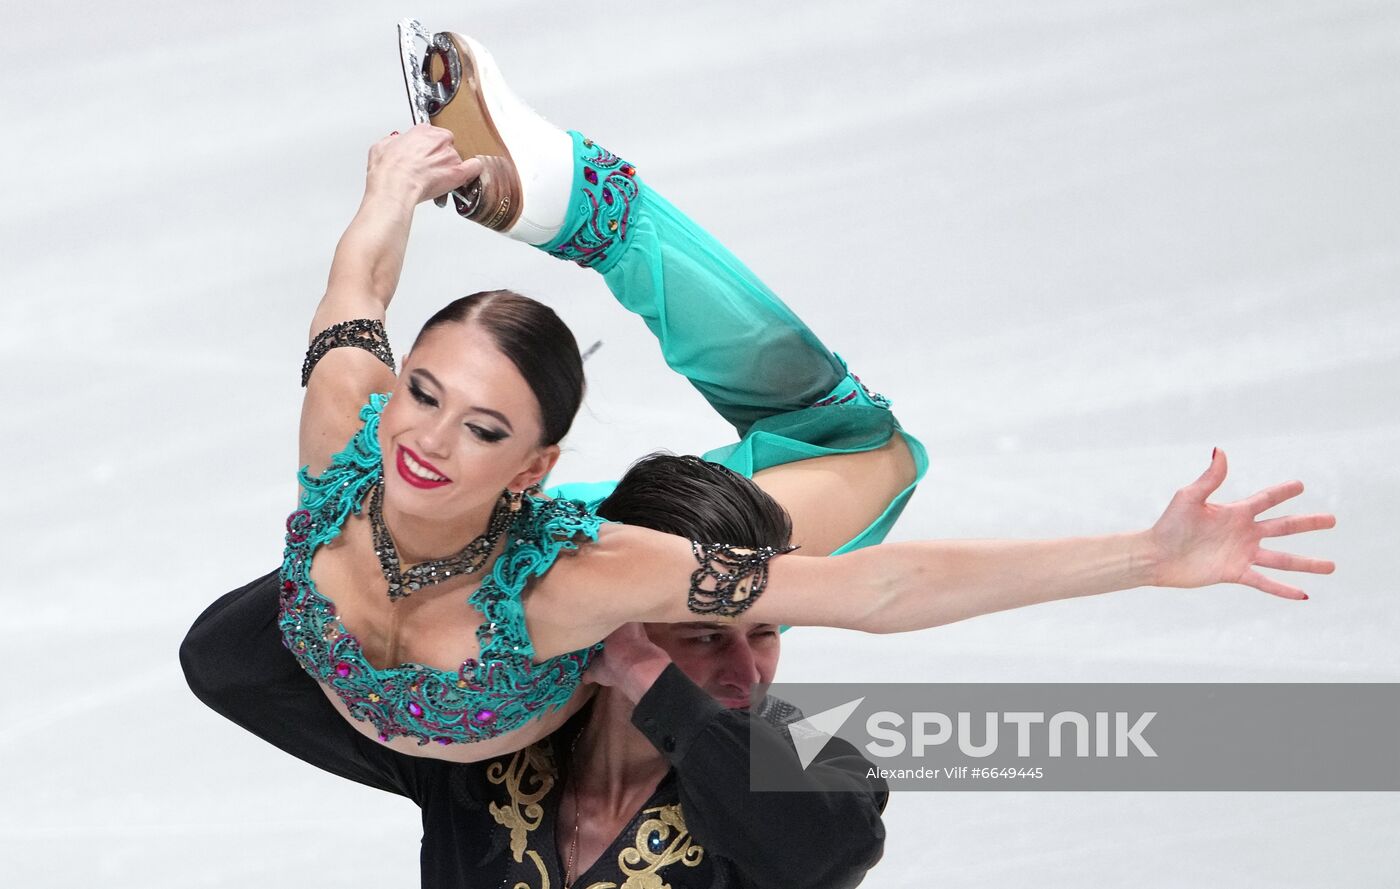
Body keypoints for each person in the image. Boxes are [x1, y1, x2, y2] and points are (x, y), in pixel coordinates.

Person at [258, 25, 1335, 765]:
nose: (429, 436)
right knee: (861, 447)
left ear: (536, 467)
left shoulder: (581, 576)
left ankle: (594, 207)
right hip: (496, 577)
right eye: (426, 396)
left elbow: (875, 590)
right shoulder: (346, 431)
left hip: (558, 541)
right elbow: (357, 288)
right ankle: (573, 199)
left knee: (868, 457)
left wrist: (1143, 560)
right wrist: (389, 188)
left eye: (483, 425)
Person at [183, 454, 887, 889]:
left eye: (764, 631)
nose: (747, 670)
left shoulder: (810, 755)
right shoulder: (485, 729)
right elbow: (228, 665)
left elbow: (825, 854)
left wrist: (648, 672)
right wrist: (408, 547)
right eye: (705, 634)